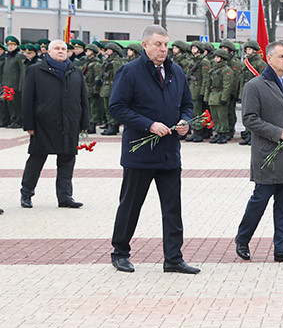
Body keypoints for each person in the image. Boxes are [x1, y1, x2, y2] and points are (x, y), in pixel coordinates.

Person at [108, 25, 199, 275]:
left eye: (166, 44)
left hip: (169, 153)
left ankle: (173, 258)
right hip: (140, 155)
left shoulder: (176, 71)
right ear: (145, 45)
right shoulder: (130, 72)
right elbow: (116, 108)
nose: (163, 49)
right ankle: (120, 253)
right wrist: (148, 125)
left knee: (172, 209)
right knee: (130, 205)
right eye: (158, 44)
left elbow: (188, 105)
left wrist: (185, 122)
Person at [235, 42, 283, 264]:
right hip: (268, 154)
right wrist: (277, 132)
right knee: (260, 200)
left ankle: (282, 248)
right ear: (269, 59)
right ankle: (243, 239)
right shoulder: (255, 86)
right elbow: (249, 118)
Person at [20, 40, 89, 209]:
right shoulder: (35, 71)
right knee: (36, 160)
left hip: (69, 123)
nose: (61, 51)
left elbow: (83, 100)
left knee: (67, 161)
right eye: (57, 49)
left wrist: (84, 123)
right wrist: (29, 124)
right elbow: (27, 99)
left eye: (64, 49)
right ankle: (26, 194)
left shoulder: (76, 72)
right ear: (48, 52)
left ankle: (65, 196)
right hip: (43, 124)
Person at [238, 40, 267, 146]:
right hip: (245, 91)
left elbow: (263, 79)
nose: (247, 51)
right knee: (246, 114)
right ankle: (247, 134)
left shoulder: (260, 64)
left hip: (255, 93)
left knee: (254, 115)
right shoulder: (246, 62)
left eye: (249, 49)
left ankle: (253, 135)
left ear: (255, 51)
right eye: (246, 49)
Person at [1, 36, 25, 128]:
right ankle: (11, 120)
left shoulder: (19, 56)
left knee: (16, 105)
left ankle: (17, 121)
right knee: (8, 105)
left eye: (12, 45)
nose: (10, 47)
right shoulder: (8, 56)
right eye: (9, 45)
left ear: (16, 45)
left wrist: (21, 85)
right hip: (6, 85)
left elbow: (23, 71)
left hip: (15, 85)